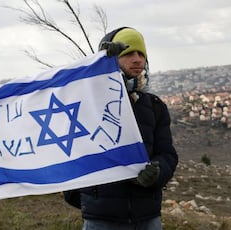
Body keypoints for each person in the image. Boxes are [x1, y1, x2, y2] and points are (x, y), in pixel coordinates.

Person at [79, 27, 178, 230]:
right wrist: (87, 196)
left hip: (147, 216)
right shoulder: (88, 102)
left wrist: (155, 175)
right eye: (128, 53)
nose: (137, 59)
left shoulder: (155, 106)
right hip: (102, 218)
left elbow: (167, 154)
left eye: (141, 53)